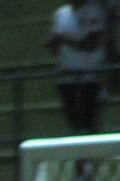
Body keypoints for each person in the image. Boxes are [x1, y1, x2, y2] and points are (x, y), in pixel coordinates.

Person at [45, 0, 107, 136]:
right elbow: (55, 44)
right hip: (66, 76)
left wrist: (62, 39)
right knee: (73, 120)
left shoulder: (93, 11)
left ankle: (92, 153)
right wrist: (53, 44)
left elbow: (91, 43)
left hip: (88, 76)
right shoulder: (61, 13)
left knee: (89, 119)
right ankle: (79, 155)